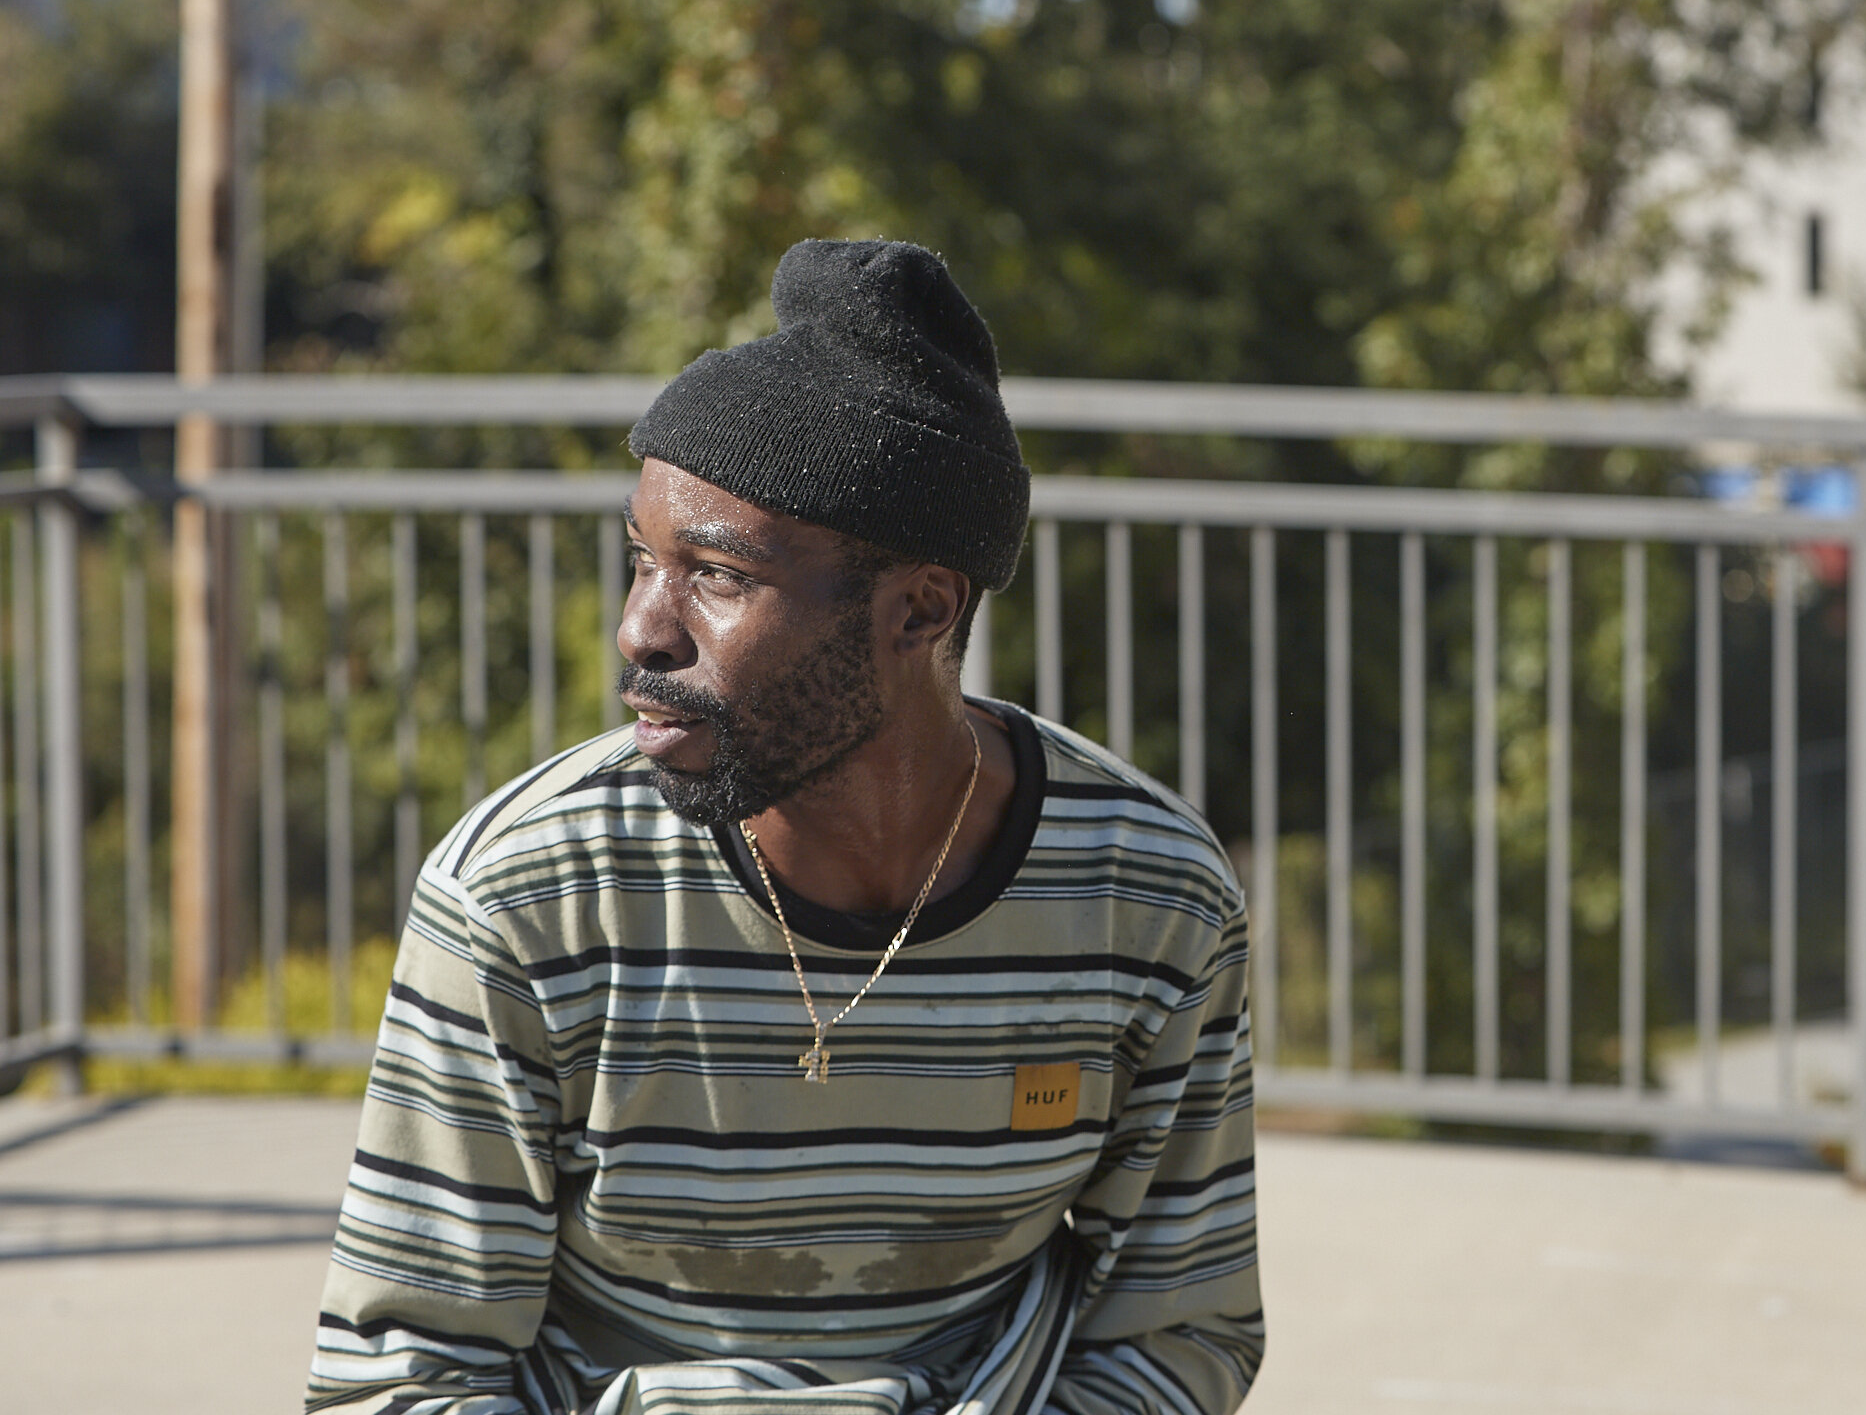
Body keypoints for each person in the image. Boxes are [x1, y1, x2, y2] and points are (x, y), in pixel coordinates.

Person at [306, 240, 1264, 1414]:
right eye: (640, 560)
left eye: (713, 574)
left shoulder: (1150, 894)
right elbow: (401, 1373)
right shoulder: (528, 893)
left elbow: (1179, 1327)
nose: (639, 631)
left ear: (919, 607)